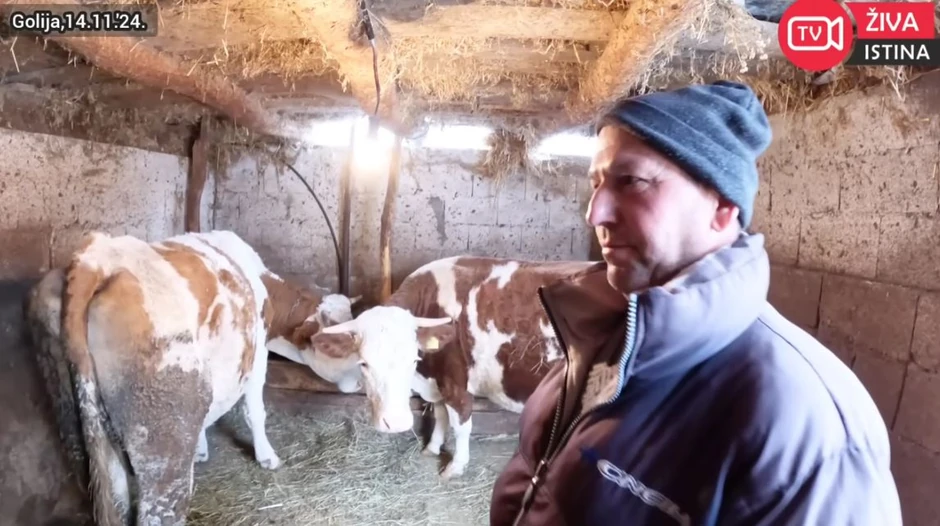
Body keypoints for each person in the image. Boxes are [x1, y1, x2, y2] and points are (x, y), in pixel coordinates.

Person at [488, 80, 902, 526]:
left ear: (722, 206)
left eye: (632, 181)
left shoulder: (811, 428)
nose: (595, 214)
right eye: (596, 183)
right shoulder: (608, 333)